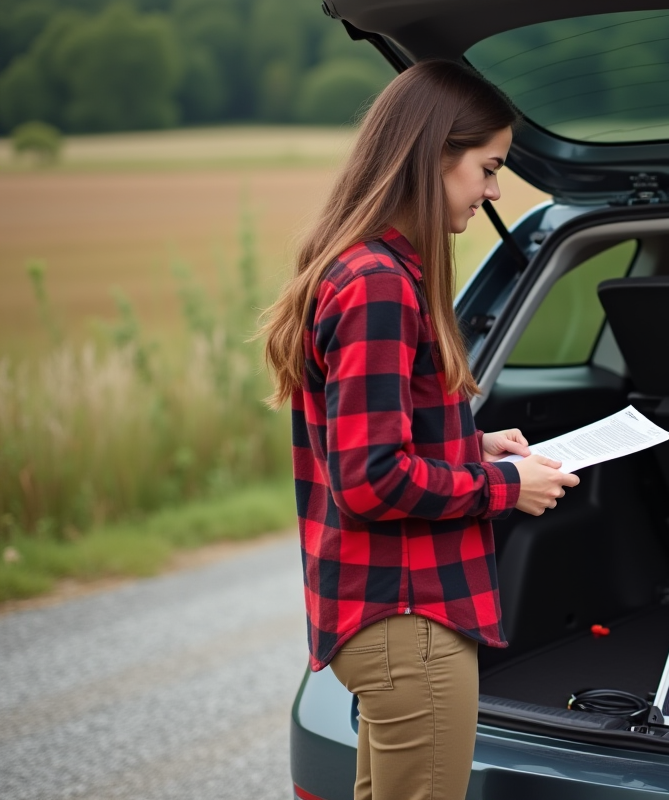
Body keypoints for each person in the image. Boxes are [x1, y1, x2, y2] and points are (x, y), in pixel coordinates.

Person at [258, 60, 579, 800]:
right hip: (409, 619)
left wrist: (473, 446)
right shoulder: (378, 284)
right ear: (433, 155)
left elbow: (375, 446)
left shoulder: (364, 267)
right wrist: (503, 486)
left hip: (384, 615)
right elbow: (369, 479)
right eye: (488, 168)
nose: (496, 191)